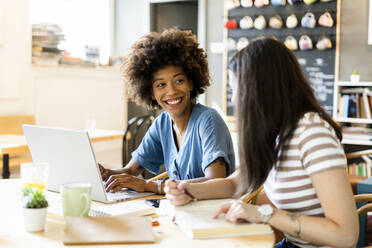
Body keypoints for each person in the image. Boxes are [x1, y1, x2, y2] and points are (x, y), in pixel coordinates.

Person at [164, 37, 358, 248]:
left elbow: (345, 235)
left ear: (259, 89)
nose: (234, 100)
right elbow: (235, 183)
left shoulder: (311, 133)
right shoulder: (278, 133)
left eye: (236, 90)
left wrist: (266, 214)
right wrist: (187, 190)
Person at [99, 28, 235, 195]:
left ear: (191, 83)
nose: (171, 91)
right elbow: (131, 171)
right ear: (151, 93)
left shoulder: (208, 120)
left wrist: (149, 185)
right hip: (178, 213)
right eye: (161, 85)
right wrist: (106, 174)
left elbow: (216, 182)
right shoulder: (162, 124)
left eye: (179, 80)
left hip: (211, 216)